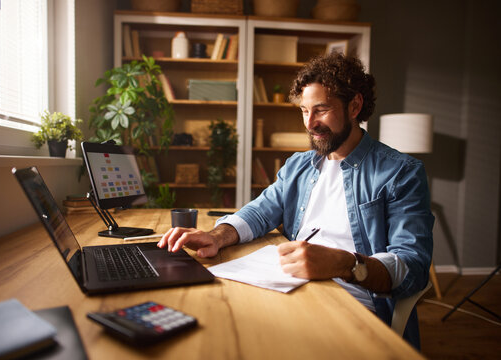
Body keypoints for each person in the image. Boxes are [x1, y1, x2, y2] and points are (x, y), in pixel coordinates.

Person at [158, 52, 434, 349]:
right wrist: (216, 236)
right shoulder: (299, 165)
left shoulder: (400, 172)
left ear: (355, 106)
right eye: (304, 111)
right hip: (290, 287)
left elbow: (412, 267)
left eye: (321, 109)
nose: (310, 123)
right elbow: (260, 211)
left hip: (355, 307)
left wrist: (345, 264)